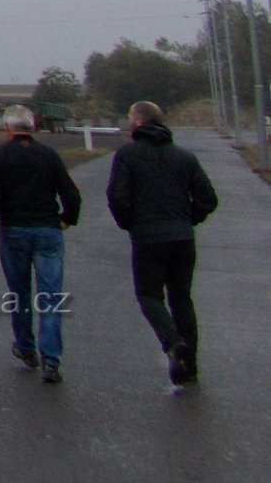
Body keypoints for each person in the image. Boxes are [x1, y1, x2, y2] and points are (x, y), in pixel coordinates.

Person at [105, 99, 218, 387]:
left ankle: (173, 343)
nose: (129, 122)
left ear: (139, 121)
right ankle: (188, 365)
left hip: (148, 238)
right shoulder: (184, 157)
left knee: (149, 296)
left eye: (131, 117)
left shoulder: (127, 156)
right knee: (182, 299)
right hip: (182, 237)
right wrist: (187, 219)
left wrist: (130, 223)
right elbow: (208, 199)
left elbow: (118, 197)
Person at [0, 103, 81, 384]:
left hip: (14, 230)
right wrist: (67, 219)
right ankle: (51, 359)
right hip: (47, 229)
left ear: (7, 127)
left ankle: (25, 348)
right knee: (50, 296)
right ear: (32, 127)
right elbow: (71, 193)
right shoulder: (49, 155)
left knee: (20, 293)